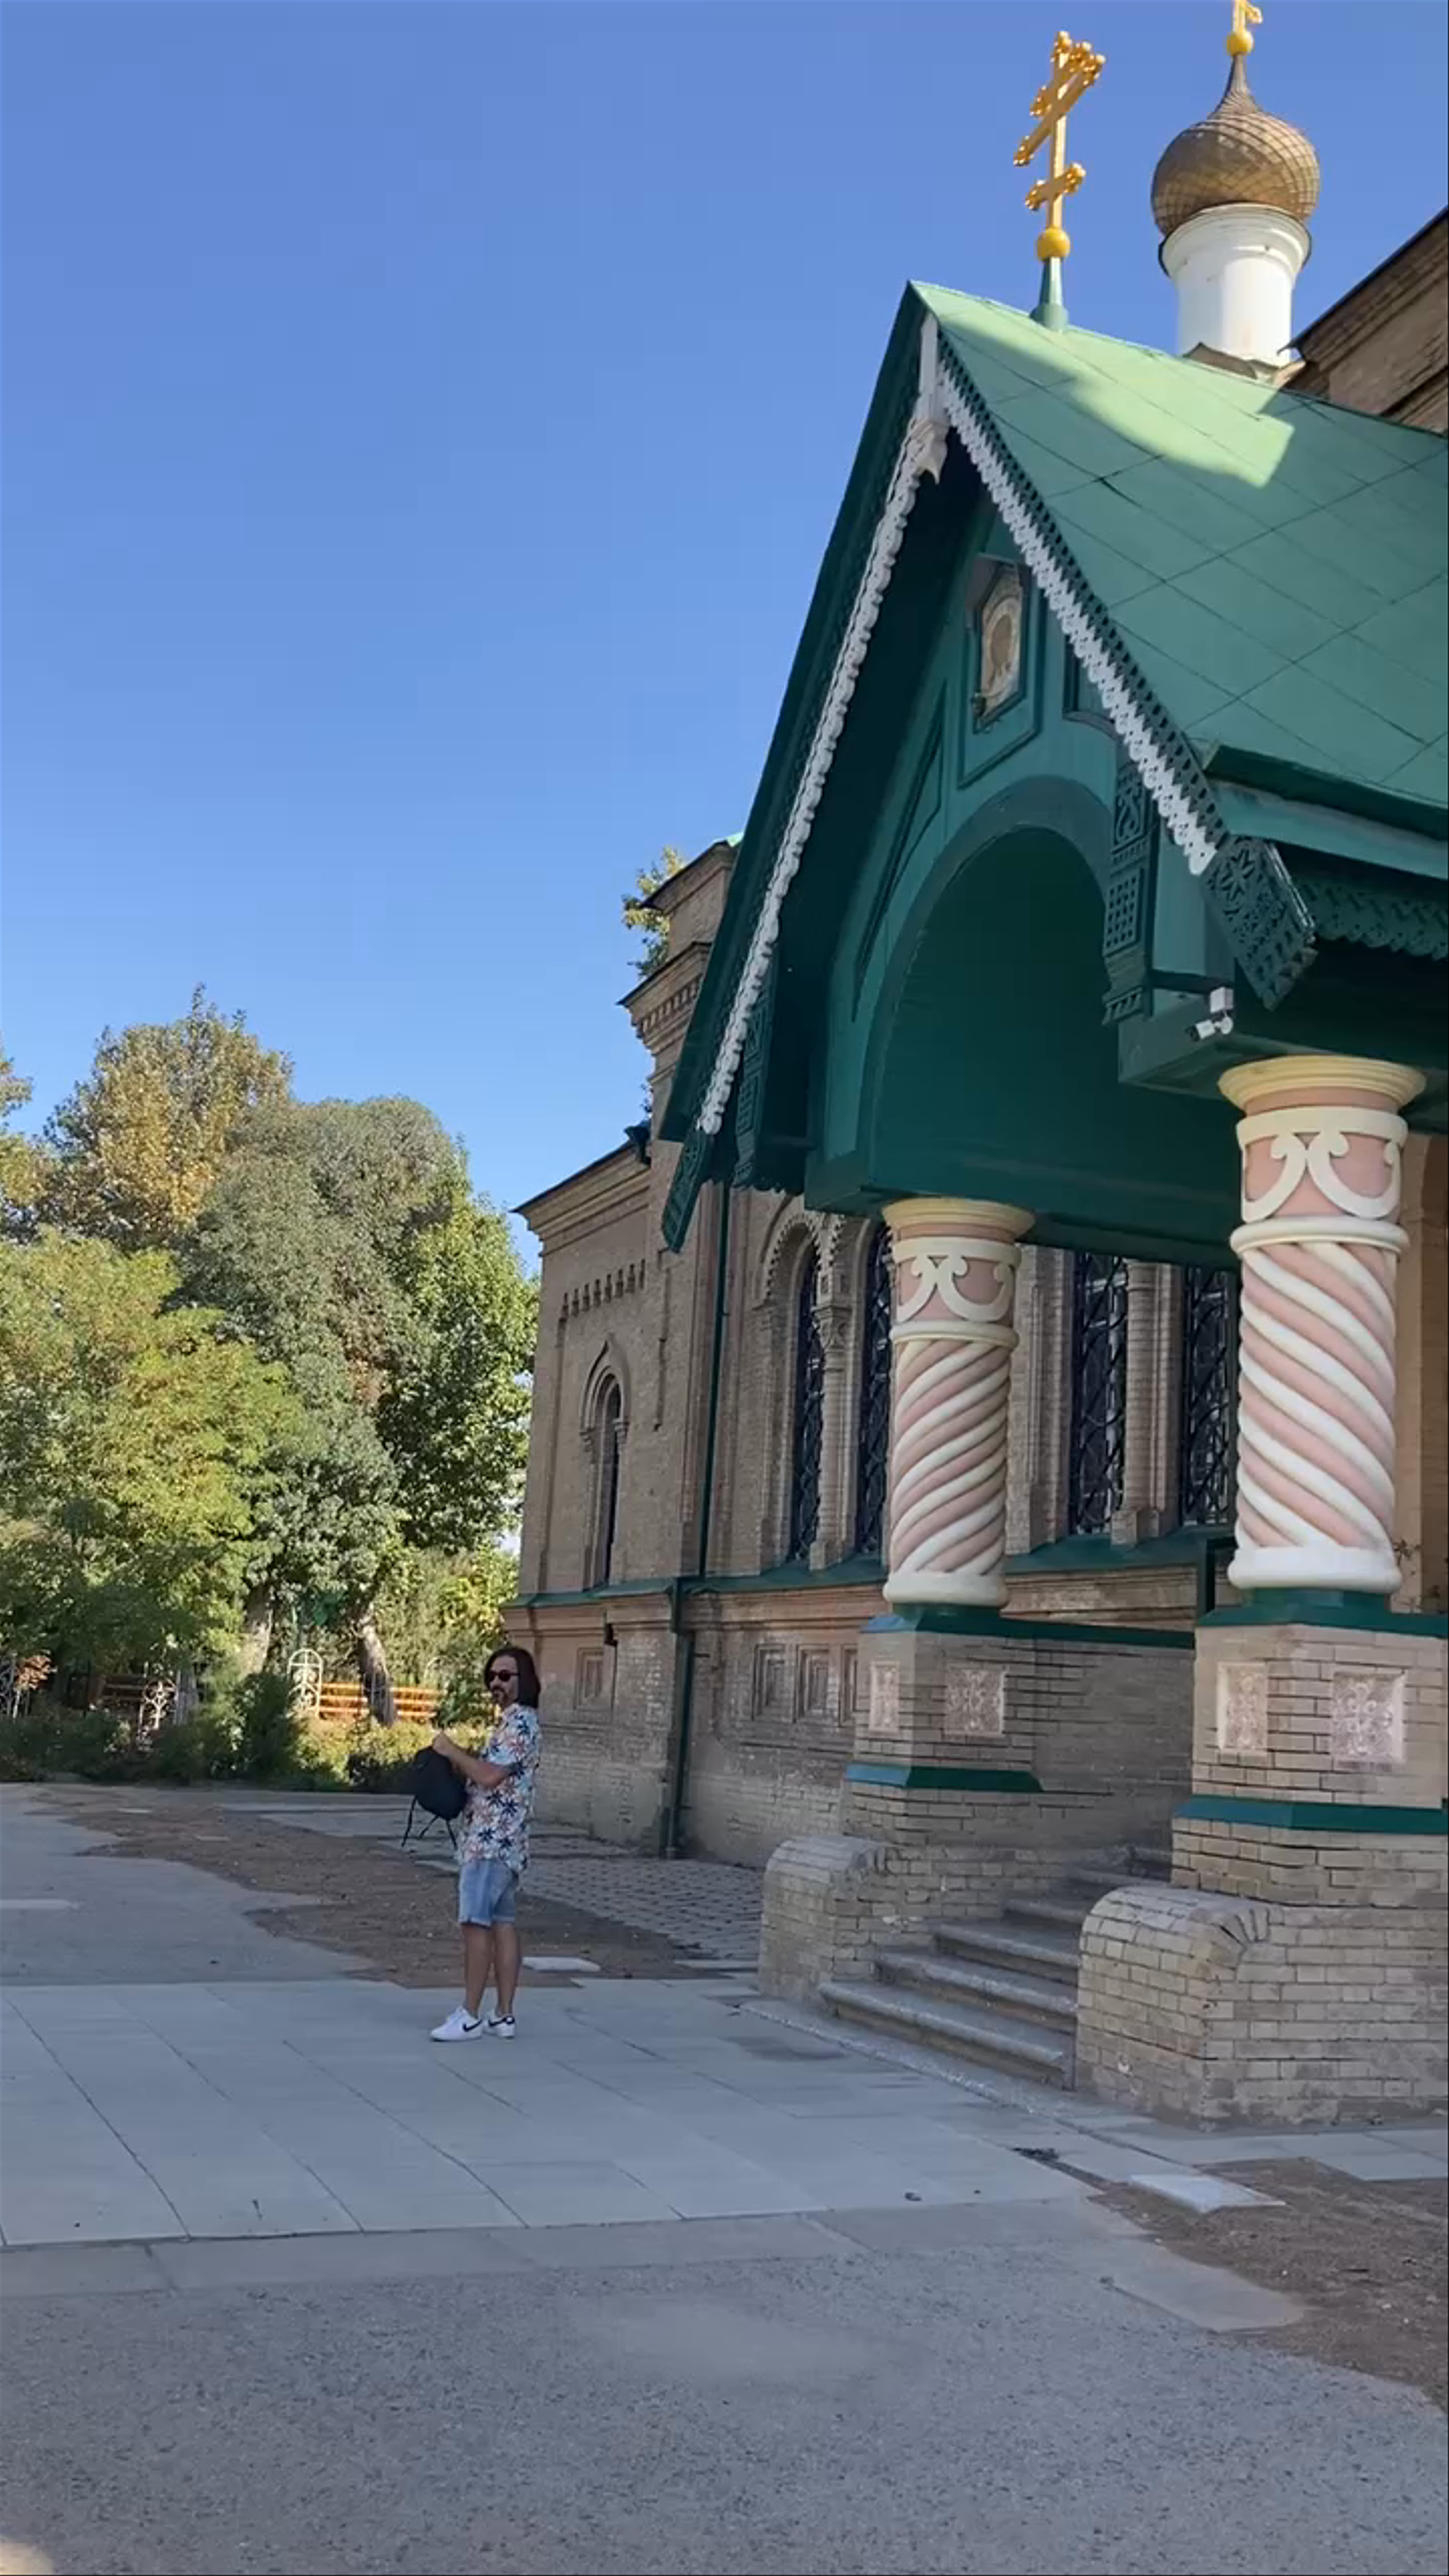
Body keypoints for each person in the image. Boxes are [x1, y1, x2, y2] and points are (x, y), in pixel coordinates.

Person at [428, 1646, 542, 2041]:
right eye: (492, 1675)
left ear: (524, 1679)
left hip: (490, 1845)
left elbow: (490, 1775)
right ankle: (503, 2016)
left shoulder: (520, 1724)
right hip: (506, 1843)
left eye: (506, 1676)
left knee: (475, 1924)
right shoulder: (514, 1722)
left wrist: (451, 1751)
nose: (497, 1682)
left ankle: (470, 2015)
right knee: (503, 1923)